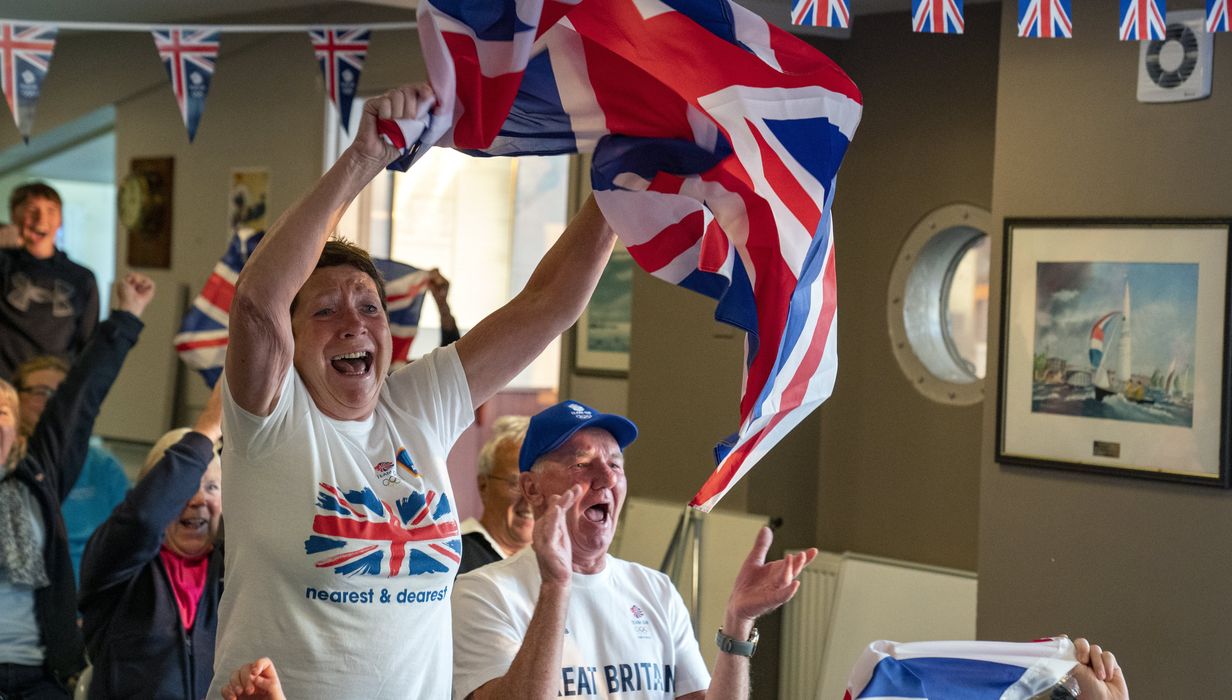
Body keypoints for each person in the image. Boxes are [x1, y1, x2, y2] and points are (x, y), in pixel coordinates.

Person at [209, 83, 616, 699]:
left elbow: (547, 303)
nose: (353, 323)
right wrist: (365, 158)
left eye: (369, 306)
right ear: (291, 344)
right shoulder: (270, 419)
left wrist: (620, 181)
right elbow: (258, 304)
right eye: (324, 311)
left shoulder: (416, 405)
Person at [451, 400, 817, 700]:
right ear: (531, 489)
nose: (607, 478)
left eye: (614, 464)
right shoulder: (482, 594)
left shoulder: (655, 591)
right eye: (581, 464)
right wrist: (556, 585)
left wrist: (738, 625)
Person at [0, 272, 153, 698]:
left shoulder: (37, 475)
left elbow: (79, 398)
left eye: (3, 411)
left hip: (40, 673)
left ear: (17, 429)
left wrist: (124, 318)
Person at [78, 384, 224, 700]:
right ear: (155, 492)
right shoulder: (115, 562)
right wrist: (208, 429)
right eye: (184, 487)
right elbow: (144, 520)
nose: (199, 499)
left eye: (212, 487)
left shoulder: (234, 572)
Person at [11, 355, 131, 583]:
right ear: (16, 399)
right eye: (40, 392)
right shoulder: (6, 465)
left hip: (87, 600)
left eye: (62, 395)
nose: (51, 403)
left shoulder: (103, 466)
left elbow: (127, 541)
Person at [0, 183, 100, 378]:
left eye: (51, 210)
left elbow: (88, 344)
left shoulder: (81, 278)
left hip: (54, 388)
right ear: (14, 215)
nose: (41, 219)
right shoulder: (3, 265)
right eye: (31, 210)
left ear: (60, 219)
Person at [459, 415, 532, 575]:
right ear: (484, 486)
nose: (530, 500)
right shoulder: (452, 555)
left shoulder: (556, 563)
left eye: (540, 487)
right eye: (517, 485)